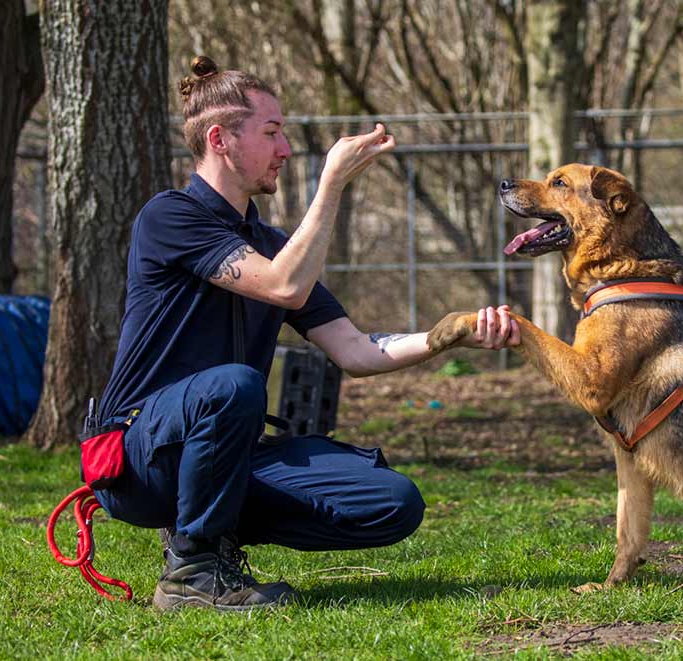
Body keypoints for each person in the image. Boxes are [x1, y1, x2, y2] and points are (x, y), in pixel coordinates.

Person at [93, 56, 520, 611]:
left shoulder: (272, 243)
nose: (285, 149)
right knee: (235, 385)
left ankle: (206, 529)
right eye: (271, 133)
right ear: (220, 139)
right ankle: (192, 573)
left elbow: (357, 351)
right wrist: (332, 185)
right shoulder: (169, 217)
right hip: (137, 455)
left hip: (223, 443)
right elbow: (283, 286)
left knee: (393, 501)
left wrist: (452, 333)